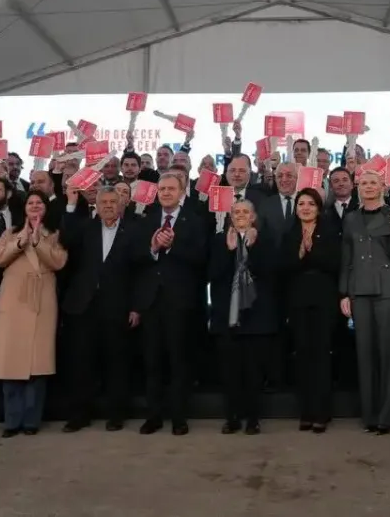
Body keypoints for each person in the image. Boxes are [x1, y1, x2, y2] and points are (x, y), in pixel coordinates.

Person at [0, 191, 67, 437]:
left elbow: (59, 262)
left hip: (41, 300)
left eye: (39, 203)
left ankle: (31, 420)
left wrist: (38, 240)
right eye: (30, 203)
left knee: (37, 366)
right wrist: (21, 241)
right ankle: (11, 421)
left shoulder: (55, 234)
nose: (34, 206)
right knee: (10, 363)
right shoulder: (10, 233)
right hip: (13, 302)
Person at [134, 173, 207, 436]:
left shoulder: (195, 221)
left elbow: (201, 257)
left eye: (171, 189)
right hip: (151, 302)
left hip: (180, 301)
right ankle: (153, 416)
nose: (165, 193)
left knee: (179, 361)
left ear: (182, 192)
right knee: (152, 362)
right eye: (162, 188)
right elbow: (134, 258)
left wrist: (174, 246)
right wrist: (153, 248)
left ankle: (178, 417)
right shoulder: (146, 220)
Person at [60, 185, 138, 432]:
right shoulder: (85, 227)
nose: (108, 206)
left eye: (113, 202)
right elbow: (65, 240)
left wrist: (135, 307)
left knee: (117, 362)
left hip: (117, 307)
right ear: (97, 205)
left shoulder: (133, 231)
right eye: (103, 202)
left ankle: (116, 414)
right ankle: (79, 415)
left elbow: (139, 273)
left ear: (121, 205)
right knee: (81, 362)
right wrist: (71, 206)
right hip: (84, 307)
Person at [339, 170, 390, 434]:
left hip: (388, 289)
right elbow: (347, 258)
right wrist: (344, 293)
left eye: (373, 183)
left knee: (389, 354)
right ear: (358, 188)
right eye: (364, 183)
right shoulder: (351, 218)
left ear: (383, 187)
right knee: (364, 354)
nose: (368, 186)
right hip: (359, 290)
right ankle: (370, 415)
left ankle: (387, 416)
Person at [208, 199, 277, 434]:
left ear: (253, 216)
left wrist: (253, 247)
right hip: (227, 316)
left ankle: (253, 419)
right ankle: (232, 418)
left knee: (253, 372)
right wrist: (229, 252)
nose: (240, 215)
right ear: (230, 216)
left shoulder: (265, 239)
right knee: (230, 372)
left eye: (245, 212)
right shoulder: (219, 240)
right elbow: (212, 274)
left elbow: (270, 273)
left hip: (256, 316)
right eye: (236, 212)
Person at [280, 188, 340, 433]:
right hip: (298, 302)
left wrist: (311, 252)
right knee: (302, 355)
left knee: (321, 355)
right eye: (301, 204)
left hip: (324, 300)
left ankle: (322, 412)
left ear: (318, 208)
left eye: (310, 204)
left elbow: (335, 264)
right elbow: (282, 268)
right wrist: (299, 254)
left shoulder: (330, 231)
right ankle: (305, 411)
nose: (305, 208)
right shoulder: (289, 233)